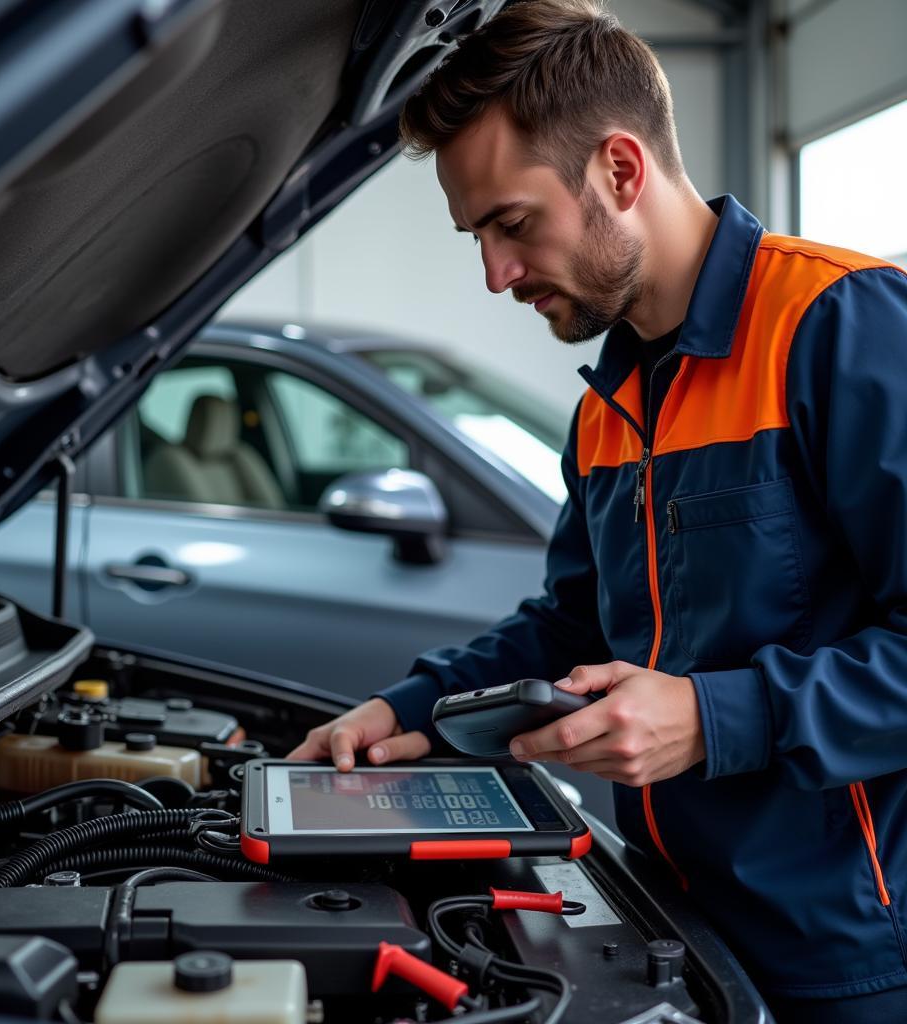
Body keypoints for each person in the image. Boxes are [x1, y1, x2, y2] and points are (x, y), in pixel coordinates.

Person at [288, 1, 907, 1019]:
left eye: (511, 223)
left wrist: (713, 717)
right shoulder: (608, 403)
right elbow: (571, 624)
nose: (494, 274)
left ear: (620, 170)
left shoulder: (842, 327)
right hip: (672, 927)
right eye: (477, 235)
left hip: (849, 964)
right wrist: (404, 713)